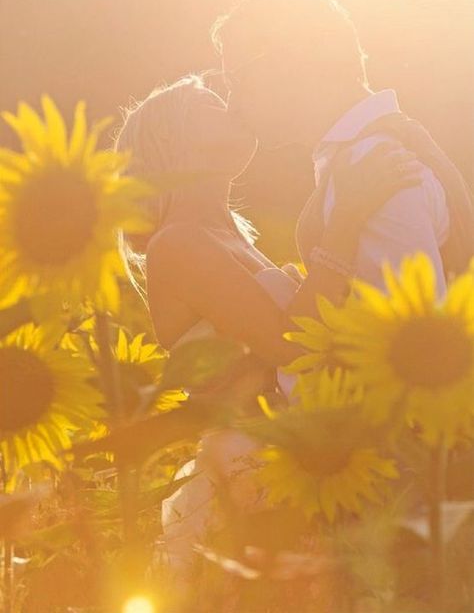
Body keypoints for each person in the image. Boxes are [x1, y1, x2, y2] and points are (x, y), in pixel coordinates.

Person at [115, 74, 420, 569]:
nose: (235, 106)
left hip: (301, 464)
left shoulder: (230, 236)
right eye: (213, 103)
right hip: (255, 481)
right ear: (170, 137)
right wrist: (347, 219)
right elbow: (290, 346)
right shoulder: (177, 243)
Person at [211, 0, 474, 295]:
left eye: (238, 80)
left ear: (292, 61)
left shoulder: (375, 164)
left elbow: (409, 330)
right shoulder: (373, 149)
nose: (233, 104)